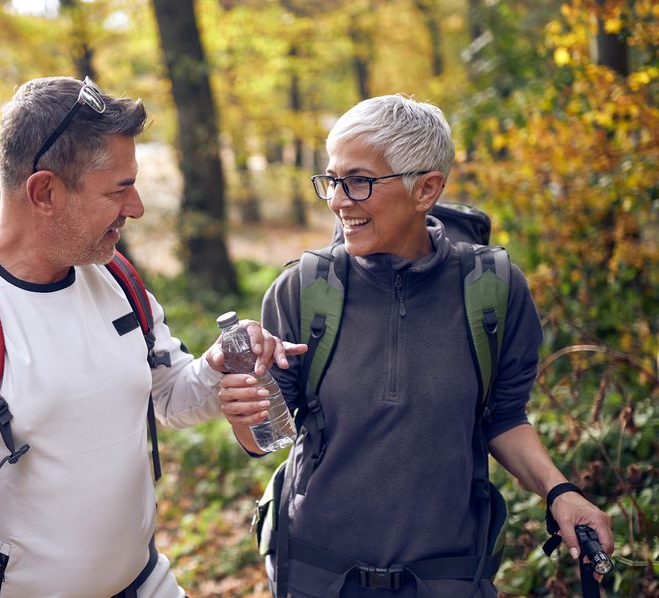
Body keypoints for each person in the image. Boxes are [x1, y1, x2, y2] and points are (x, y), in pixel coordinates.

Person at [0, 76, 305, 597]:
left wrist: (216, 367)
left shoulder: (115, 276)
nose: (137, 207)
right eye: (119, 188)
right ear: (45, 192)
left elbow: (166, 397)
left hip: (146, 581)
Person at [218, 95, 613, 597]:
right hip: (317, 574)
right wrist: (242, 415)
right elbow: (267, 437)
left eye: (358, 181)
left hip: (447, 576)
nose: (339, 200)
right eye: (331, 180)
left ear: (426, 189)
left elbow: (504, 418)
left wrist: (562, 493)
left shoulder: (492, 290)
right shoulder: (303, 290)